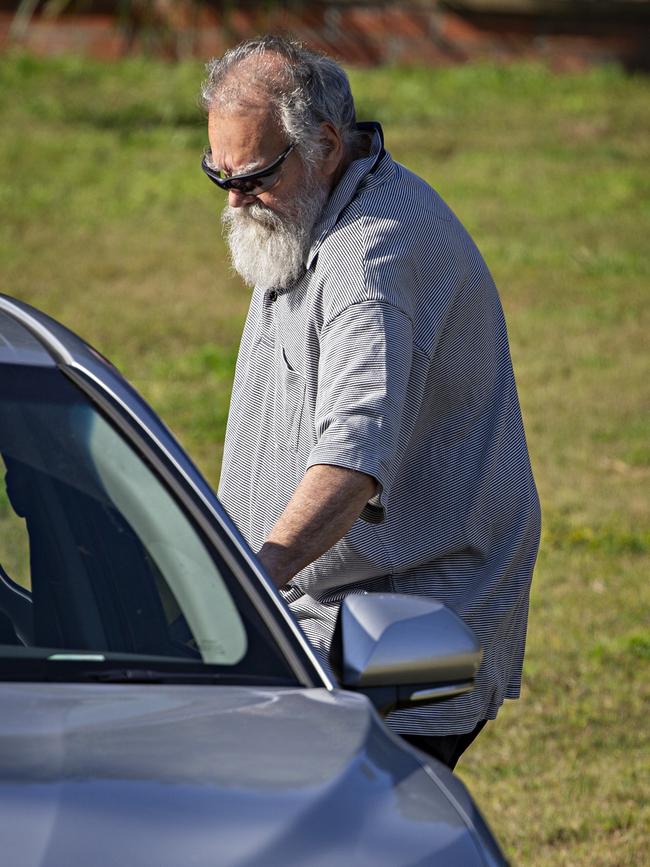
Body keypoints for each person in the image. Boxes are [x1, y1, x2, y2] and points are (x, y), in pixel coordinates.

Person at [199, 35, 541, 770]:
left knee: (351, 830)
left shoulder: (370, 266)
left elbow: (350, 464)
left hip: (400, 629)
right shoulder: (303, 210)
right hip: (324, 606)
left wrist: (242, 585)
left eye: (254, 175)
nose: (234, 201)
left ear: (325, 144)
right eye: (216, 174)